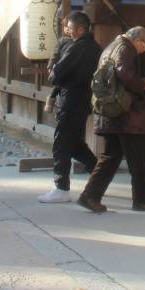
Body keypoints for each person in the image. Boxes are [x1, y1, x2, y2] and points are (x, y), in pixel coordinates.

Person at [77, 26, 145, 214]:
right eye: (144, 46)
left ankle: (90, 196)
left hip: (111, 112)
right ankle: (142, 200)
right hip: (126, 115)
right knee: (138, 158)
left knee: (110, 157)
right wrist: (142, 83)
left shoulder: (111, 47)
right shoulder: (126, 49)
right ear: (138, 41)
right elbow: (124, 73)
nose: (144, 50)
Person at [38, 11, 100, 203]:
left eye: (70, 28)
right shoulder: (95, 47)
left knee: (62, 143)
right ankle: (99, 174)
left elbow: (57, 73)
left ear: (80, 29)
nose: (67, 31)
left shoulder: (77, 47)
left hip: (71, 99)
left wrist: (52, 72)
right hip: (83, 101)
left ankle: (61, 187)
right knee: (74, 144)